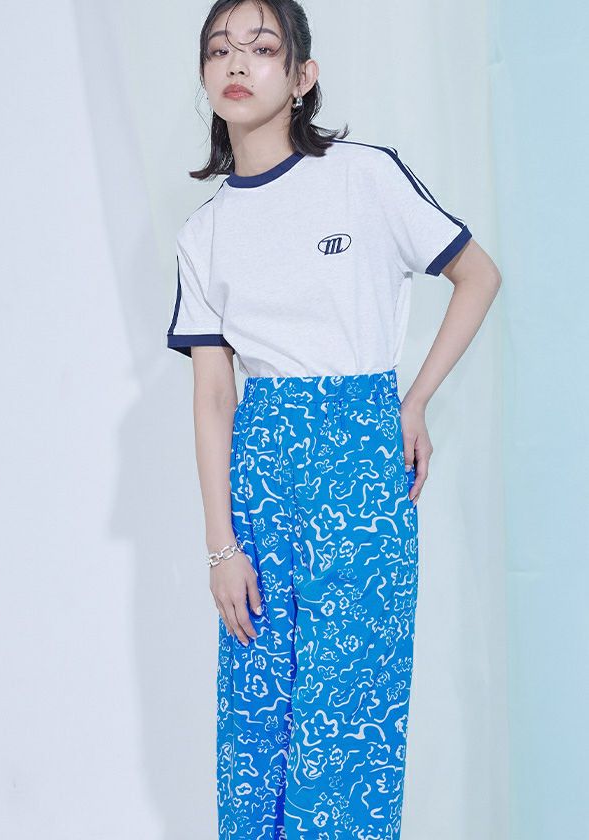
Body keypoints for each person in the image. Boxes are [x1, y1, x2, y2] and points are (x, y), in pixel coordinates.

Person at [166, 1, 502, 837]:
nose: (237, 62)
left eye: (261, 47)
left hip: (359, 467)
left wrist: (413, 400)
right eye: (219, 49)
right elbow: (214, 397)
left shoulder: (363, 177)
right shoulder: (203, 234)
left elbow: (478, 276)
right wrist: (221, 549)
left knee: (348, 715)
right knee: (258, 720)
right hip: (260, 472)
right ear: (205, 76)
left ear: (301, 76)